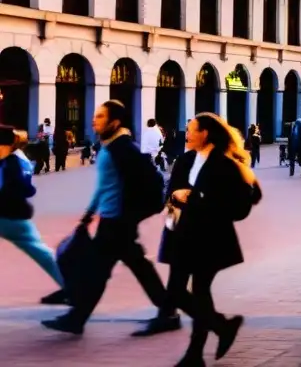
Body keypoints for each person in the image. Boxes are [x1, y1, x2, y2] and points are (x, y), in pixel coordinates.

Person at [43, 100, 178, 336]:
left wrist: (131, 216)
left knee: (100, 270)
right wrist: (89, 213)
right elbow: (105, 186)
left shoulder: (124, 148)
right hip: (112, 220)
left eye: (101, 116)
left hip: (118, 222)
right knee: (133, 265)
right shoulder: (108, 147)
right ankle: (167, 312)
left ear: (114, 122)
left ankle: (76, 315)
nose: (95, 119)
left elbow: (147, 182)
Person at [159, 113, 260, 365]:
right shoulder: (185, 159)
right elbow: (170, 192)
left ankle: (195, 354)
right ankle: (222, 326)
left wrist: (194, 198)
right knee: (175, 293)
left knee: (201, 290)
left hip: (211, 238)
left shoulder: (225, 165)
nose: (187, 133)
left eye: (191, 129)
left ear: (205, 133)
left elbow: (239, 206)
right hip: (181, 235)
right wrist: (174, 196)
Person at [0, 126, 65, 300]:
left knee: (42, 253)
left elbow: (24, 189)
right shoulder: (11, 161)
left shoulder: (11, 164)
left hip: (11, 217)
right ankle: (72, 287)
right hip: (13, 216)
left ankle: (74, 287)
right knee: (42, 253)